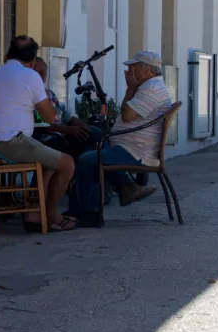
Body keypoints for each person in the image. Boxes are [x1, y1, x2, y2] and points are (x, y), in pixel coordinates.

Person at [0, 36, 77, 232]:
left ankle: (35, 213)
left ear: (6, 55)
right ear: (32, 61)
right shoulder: (30, 76)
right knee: (67, 164)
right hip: (12, 144)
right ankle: (51, 215)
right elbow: (49, 117)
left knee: (50, 158)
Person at [69, 51, 173, 224]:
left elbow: (127, 115)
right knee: (91, 134)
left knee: (87, 160)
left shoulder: (152, 89)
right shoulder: (150, 86)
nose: (129, 71)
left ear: (146, 69)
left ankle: (87, 214)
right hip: (128, 145)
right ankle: (127, 187)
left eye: (133, 67)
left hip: (136, 152)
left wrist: (130, 88)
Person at [30, 57, 103, 160]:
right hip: (46, 138)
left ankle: (99, 170)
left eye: (44, 74)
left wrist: (83, 126)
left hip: (62, 133)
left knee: (95, 132)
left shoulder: (49, 94)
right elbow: (42, 125)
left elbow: (65, 116)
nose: (42, 78)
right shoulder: (29, 96)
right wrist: (67, 129)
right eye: (38, 73)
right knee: (83, 148)